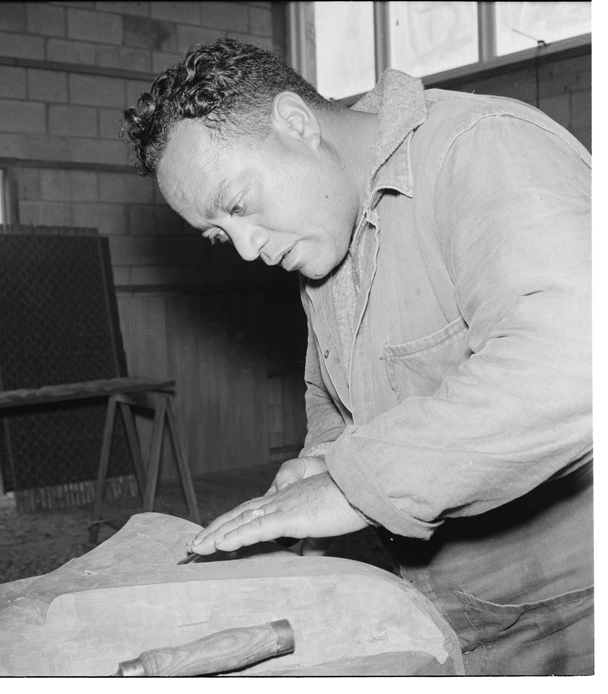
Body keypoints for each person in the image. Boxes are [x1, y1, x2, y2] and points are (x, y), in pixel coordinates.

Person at [121, 38, 592, 676]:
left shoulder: (482, 148)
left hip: (568, 598)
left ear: (295, 123)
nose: (247, 248)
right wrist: (322, 460)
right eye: (218, 234)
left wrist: (354, 483)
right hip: (436, 594)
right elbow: (333, 393)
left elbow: (576, 360)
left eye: (237, 205)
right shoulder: (324, 232)